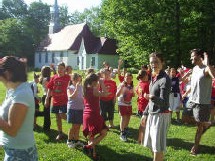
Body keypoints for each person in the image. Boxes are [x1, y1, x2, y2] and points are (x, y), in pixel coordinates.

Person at [0, 56, 38, 160]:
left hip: (20, 154)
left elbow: (12, 130)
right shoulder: (14, 90)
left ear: (8, 74)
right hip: (14, 150)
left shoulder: (22, 94)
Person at [141, 52, 171, 161]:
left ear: (162, 62)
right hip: (152, 114)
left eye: (156, 62)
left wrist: (152, 97)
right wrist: (145, 114)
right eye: (151, 62)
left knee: (157, 148)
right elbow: (151, 101)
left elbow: (164, 102)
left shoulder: (165, 79)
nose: (153, 64)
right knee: (152, 146)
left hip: (161, 116)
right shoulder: (154, 78)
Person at [188, 49, 215, 155]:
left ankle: (195, 146)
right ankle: (208, 123)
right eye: (191, 56)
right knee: (185, 118)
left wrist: (207, 62)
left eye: (193, 56)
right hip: (191, 100)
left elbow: (213, 75)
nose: (191, 58)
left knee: (199, 126)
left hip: (202, 102)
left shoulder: (207, 68)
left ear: (200, 57)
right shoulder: (194, 68)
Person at [82, 73, 109, 160]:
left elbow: (99, 94)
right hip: (93, 114)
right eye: (97, 81)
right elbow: (105, 94)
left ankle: (93, 154)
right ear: (94, 82)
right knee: (104, 132)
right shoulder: (94, 89)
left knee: (91, 135)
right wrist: (102, 83)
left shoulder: (85, 89)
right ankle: (88, 146)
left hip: (86, 114)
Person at [45, 62, 70, 141]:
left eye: (61, 68)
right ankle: (60, 133)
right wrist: (47, 99)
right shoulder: (54, 77)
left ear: (64, 69)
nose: (60, 70)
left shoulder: (68, 77)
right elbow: (50, 88)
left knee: (62, 115)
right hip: (55, 101)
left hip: (64, 101)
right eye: (58, 68)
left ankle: (75, 122)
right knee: (57, 118)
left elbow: (73, 84)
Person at [67, 73, 84, 148]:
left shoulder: (81, 87)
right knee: (74, 126)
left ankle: (76, 140)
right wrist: (76, 88)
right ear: (72, 80)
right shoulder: (70, 88)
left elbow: (83, 97)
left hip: (80, 108)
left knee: (78, 125)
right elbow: (71, 96)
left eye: (78, 80)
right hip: (73, 109)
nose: (77, 81)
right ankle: (69, 140)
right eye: (76, 80)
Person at [116, 72, 135, 142]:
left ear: (132, 79)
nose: (128, 79)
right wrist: (121, 87)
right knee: (123, 117)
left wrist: (133, 94)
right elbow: (117, 95)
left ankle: (126, 129)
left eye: (130, 78)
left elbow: (133, 95)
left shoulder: (131, 86)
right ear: (124, 78)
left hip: (129, 104)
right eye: (127, 77)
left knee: (128, 116)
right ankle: (122, 133)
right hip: (122, 104)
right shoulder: (121, 84)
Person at [135, 70, 149, 144]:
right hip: (145, 106)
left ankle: (139, 140)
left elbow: (136, 91)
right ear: (145, 76)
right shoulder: (147, 85)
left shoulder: (139, 83)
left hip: (140, 105)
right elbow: (148, 96)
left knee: (142, 124)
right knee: (144, 125)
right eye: (147, 75)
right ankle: (142, 141)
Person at [39, 66, 52, 131]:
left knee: (47, 113)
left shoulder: (43, 79)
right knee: (46, 113)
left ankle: (46, 126)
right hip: (48, 96)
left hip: (45, 96)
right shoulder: (47, 79)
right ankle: (46, 127)